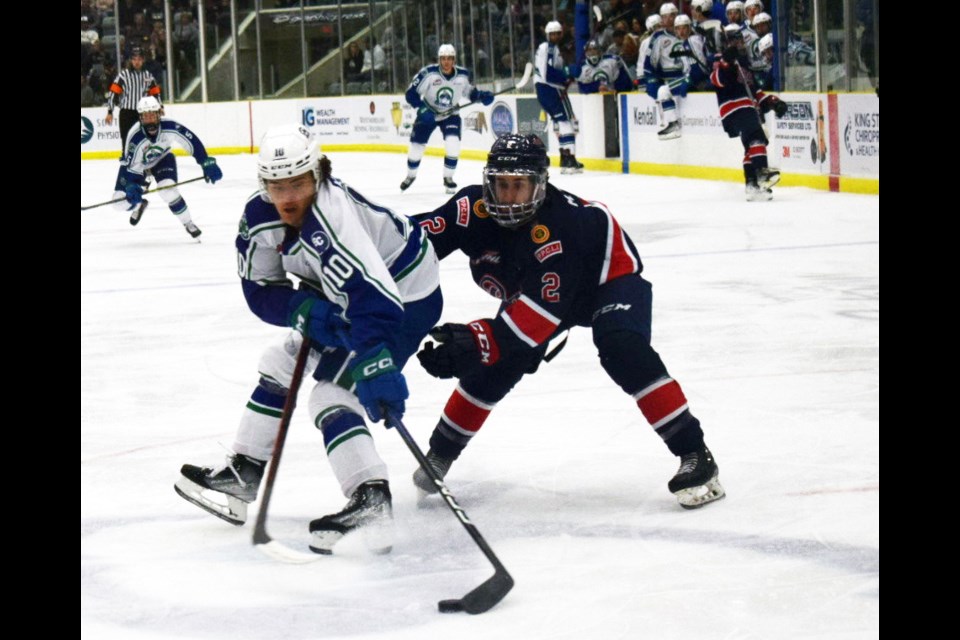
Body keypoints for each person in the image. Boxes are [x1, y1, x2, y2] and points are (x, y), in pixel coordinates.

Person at [410, 134, 726, 510]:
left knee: (621, 347)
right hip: (541, 292)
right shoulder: (469, 209)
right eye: (501, 184)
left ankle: (696, 455)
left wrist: (477, 339)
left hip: (607, 281)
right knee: (498, 362)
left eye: (519, 186)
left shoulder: (562, 224)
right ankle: (440, 455)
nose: (508, 197)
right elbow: (412, 242)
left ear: (540, 186)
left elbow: (542, 316)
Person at [175, 124, 442, 555]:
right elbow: (259, 290)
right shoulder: (259, 216)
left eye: (298, 183)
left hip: (406, 292)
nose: (288, 198)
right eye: (276, 186)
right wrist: (302, 310)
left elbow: (376, 303)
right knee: (280, 362)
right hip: (346, 288)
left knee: (333, 394)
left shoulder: (334, 222)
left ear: (318, 175)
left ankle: (371, 499)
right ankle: (244, 471)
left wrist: (375, 365)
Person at [111, 96, 222, 237]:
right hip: (139, 168)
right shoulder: (134, 137)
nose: (150, 119)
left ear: (159, 114)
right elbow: (131, 167)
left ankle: (188, 222)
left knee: (168, 190)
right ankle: (139, 204)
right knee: (119, 202)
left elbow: (191, 141)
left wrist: (206, 162)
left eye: (153, 115)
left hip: (162, 160)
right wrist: (131, 186)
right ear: (140, 118)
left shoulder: (170, 126)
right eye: (146, 116)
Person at [399, 44, 494, 194]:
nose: (446, 62)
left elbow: (469, 91)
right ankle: (410, 176)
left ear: (454, 60)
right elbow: (411, 93)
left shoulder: (462, 75)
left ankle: (448, 178)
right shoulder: (428, 74)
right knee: (416, 148)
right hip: (428, 112)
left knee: (453, 143)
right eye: (443, 58)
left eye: (449, 58)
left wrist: (481, 96)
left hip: (450, 114)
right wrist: (422, 108)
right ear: (439, 60)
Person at [711, 25, 788, 201]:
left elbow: (755, 90)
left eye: (740, 39)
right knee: (755, 135)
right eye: (736, 40)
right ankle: (761, 172)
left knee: (753, 144)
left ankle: (752, 185)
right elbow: (717, 80)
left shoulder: (744, 63)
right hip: (733, 108)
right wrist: (726, 63)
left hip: (748, 108)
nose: (740, 43)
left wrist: (772, 102)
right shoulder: (718, 59)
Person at [535, 20, 583, 173]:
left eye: (557, 33)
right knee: (567, 122)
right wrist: (565, 77)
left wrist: (566, 74)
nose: (555, 36)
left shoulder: (551, 48)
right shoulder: (548, 48)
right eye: (552, 34)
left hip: (544, 90)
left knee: (561, 123)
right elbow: (548, 73)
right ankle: (570, 158)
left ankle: (564, 157)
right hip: (551, 89)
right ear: (548, 35)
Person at [105, 46, 162, 153]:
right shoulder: (123, 76)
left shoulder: (148, 76)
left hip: (143, 113)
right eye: (134, 59)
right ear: (131, 60)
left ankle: (144, 161)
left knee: (144, 137)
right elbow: (113, 93)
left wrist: (160, 106)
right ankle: (126, 160)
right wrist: (109, 112)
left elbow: (155, 92)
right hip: (126, 112)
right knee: (126, 138)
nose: (137, 62)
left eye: (139, 59)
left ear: (143, 60)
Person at [642, 3, 686, 140]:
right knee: (662, 91)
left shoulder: (686, 30)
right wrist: (652, 81)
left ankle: (673, 124)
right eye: (666, 16)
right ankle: (672, 123)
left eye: (673, 15)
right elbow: (650, 62)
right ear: (661, 19)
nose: (670, 19)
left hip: (687, 76)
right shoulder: (658, 37)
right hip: (672, 80)